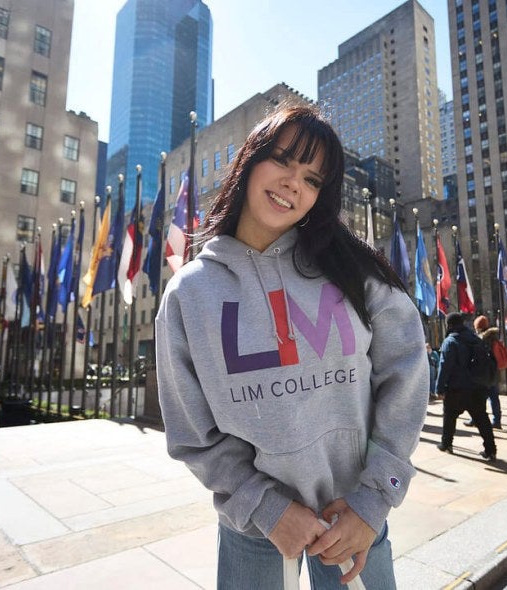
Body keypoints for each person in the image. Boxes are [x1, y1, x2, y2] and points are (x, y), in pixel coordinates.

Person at [155, 105, 428, 589]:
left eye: (312, 178)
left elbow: (405, 373)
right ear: (249, 161)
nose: (292, 183)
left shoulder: (353, 272)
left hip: (353, 517)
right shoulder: (189, 294)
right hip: (255, 525)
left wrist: (374, 501)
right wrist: (264, 505)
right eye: (282, 160)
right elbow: (191, 431)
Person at [435, 312, 497, 461]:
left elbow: (444, 366)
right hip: (476, 386)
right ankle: (490, 450)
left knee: (449, 416)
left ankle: (446, 444)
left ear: (449, 325)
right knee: (482, 418)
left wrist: (439, 388)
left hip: (456, 387)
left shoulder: (450, 342)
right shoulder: (475, 339)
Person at [464, 315, 502, 429]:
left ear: (479, 328)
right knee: (494, 397)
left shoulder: (479, 339)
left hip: (483, 372)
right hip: (493, 371)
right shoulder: (494, 338)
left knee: (478, 398)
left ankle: (476, 419)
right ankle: (497, 420)